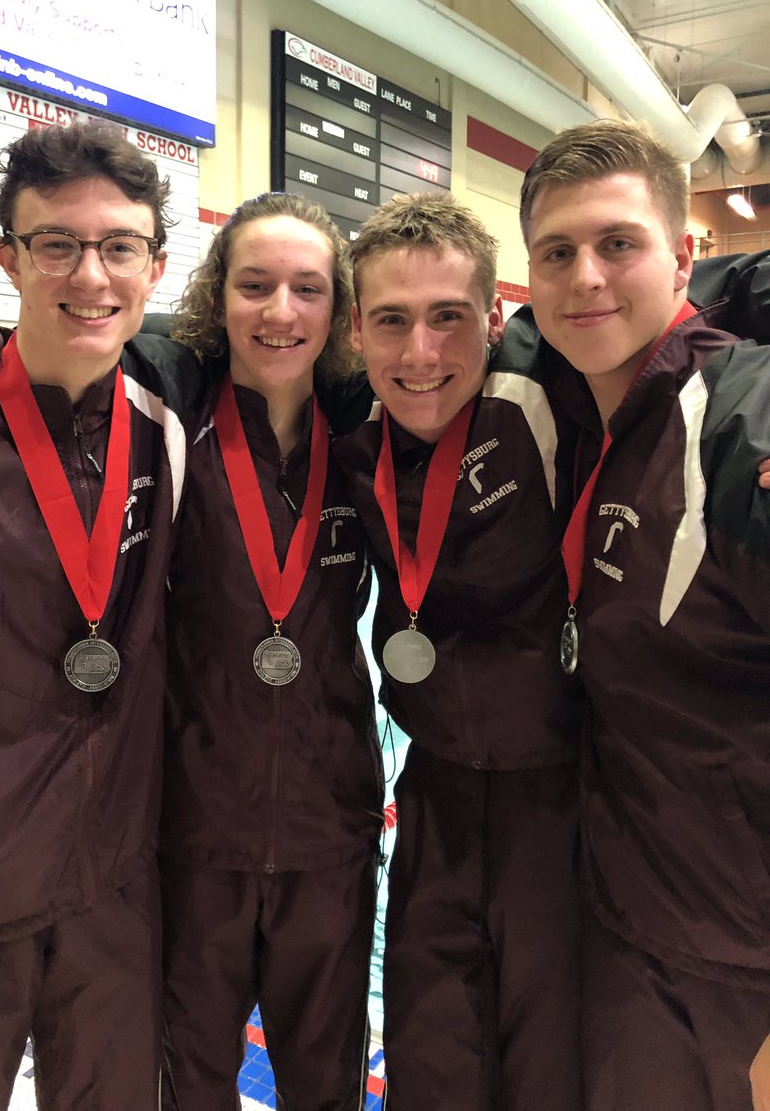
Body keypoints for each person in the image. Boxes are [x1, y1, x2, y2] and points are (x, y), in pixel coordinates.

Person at [0, 118, 205, 1110]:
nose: (90, 276)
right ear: (6, 259)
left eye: (119, 247)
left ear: (155, 267)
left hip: (115, 892)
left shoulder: (170, 398)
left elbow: (298, 329)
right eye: (56, 244)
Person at [519, 119, 770, 1111]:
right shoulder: (582, 401)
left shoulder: (742, 416)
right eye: (557, 252)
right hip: (625, 916)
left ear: (683, 257)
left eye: (617, 243)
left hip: (734, 965)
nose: (585, 276)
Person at [333, 191, 586, 1110]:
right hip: (435, 786)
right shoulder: (342, 414)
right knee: (430, 1051)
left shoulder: (558, 387)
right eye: (392, 321)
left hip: (567, 795)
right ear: (355, 331)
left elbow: (704, 300)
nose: (421, 354)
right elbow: (183, 347)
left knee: (550, 1066)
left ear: (495, 317)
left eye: (448, 317)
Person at [156, 193, 382, 1109]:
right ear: (217, 298)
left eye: (307, 289)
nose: (280, 312)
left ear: (339, 309)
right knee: (189, 1078)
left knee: (324, 1083)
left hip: (330, 828)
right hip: (190, 827)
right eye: (254, 286)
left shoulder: (367, 436)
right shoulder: (170, 425)